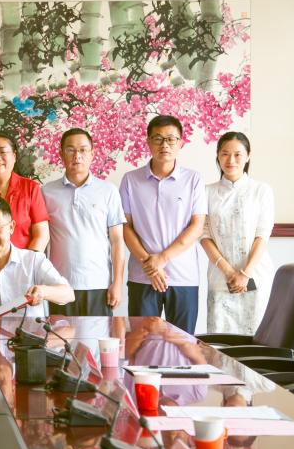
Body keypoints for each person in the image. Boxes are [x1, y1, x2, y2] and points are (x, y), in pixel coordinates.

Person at [119, 115, 206, 334]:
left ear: (181, 142)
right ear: (148, 142)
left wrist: (161, 259)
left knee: (183, 343)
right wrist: (149, 264)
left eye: (171, 139)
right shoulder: (130, 180)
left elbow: (197, 225)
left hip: (183, 277)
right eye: (157, 138)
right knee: (141, 342)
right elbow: (125, 226)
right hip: (142, 276)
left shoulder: (194, 179)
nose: (164, 144)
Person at [42, 127, 126, 316]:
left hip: (98, 284)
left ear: (92, 154)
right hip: (59, 285)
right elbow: (43, 240)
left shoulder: (108, 191)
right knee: (60, 335)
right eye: (70, 150)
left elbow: (117, 241)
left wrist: (117, 283)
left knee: (98, 335)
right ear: (61, 154)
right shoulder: (47, 192)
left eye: (83, 150)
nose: (77, 156)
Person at [200, 132, 275, 334]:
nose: (231, 160)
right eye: (225, 154)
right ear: (218, 156)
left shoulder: (261, 190)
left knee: (257, 339)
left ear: (248, 156)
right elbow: (204, 235)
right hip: (220, 278)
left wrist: (245, 273)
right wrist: (229, 272)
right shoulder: (206, 192)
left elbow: (262, 234)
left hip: (256, 276)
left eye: (237, 154)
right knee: (221, 341)